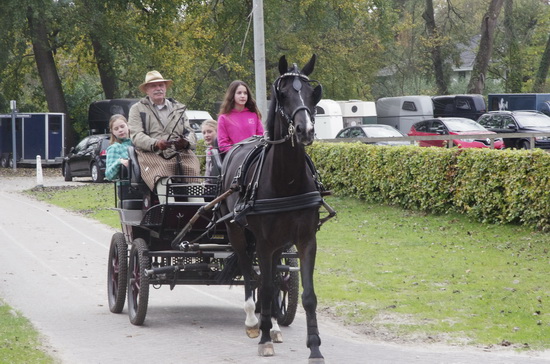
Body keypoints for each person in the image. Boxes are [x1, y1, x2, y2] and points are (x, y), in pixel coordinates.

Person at [128, 70, 200, 201]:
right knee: (162, 175)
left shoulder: (178, 107)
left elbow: (190, 132)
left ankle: (198, 211)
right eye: (153, 86)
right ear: (146, 90)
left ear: (165, 88)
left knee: (193, 171)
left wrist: (186, 142)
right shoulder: (137, 109)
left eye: (161, 85)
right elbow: (136, 135)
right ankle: (168, 209)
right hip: (152, 154)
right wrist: (155, 143)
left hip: (179, 152)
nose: (158, 89)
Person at [217, 80, 264, 153]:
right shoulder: (223, 118)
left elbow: (261, 136)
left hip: (254, 154)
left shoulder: (254, 115)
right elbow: (223, 144)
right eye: (239, 93)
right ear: (232, 95)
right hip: (235, 157)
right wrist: (239, 152)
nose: (243, 96)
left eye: (245, 93)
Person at [105, 114, 131, 183]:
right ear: (112, 132)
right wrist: (119, 162)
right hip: (126, 188)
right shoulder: (114, 148)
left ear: (128, 125)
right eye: (116, 129)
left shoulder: (136, 143)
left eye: (122, 126)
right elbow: (108, 175)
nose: (120, 130)